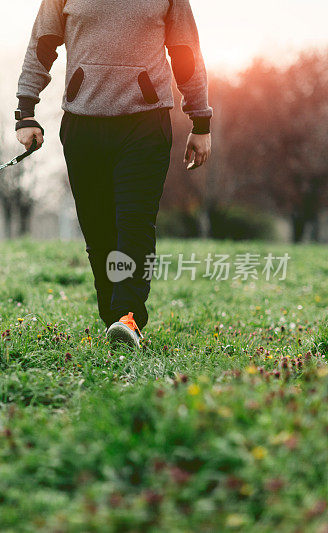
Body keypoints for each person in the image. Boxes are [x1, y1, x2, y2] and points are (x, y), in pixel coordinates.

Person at [15, 0, 212, 350]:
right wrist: (26, 111)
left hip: (145, 123)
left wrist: (200, 120)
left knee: (133, 224)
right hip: (83, 123)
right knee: (99, 231)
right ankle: (113, 318)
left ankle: (128, 316)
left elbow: (185, 52)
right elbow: (42, 45)